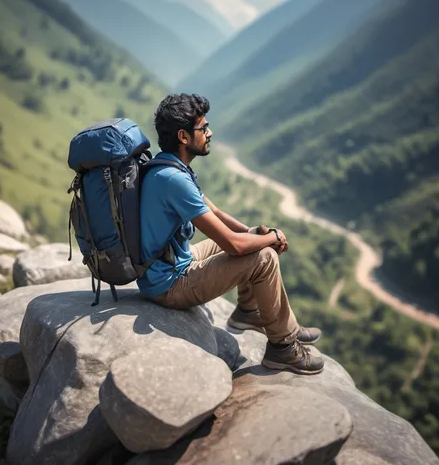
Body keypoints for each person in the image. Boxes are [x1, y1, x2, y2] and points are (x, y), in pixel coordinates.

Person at [138, 93, 324, 374]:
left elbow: (217, 216)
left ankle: (248, 313)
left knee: (252, 239)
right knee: (262, 257)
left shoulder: (170, 166)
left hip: (168, 264)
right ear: (184, 136)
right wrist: (270, 240)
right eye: (203, 128)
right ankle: (283, 348)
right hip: (168, 285)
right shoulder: (174, 180)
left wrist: (255, 232)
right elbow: (235, 247)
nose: (210, 133)